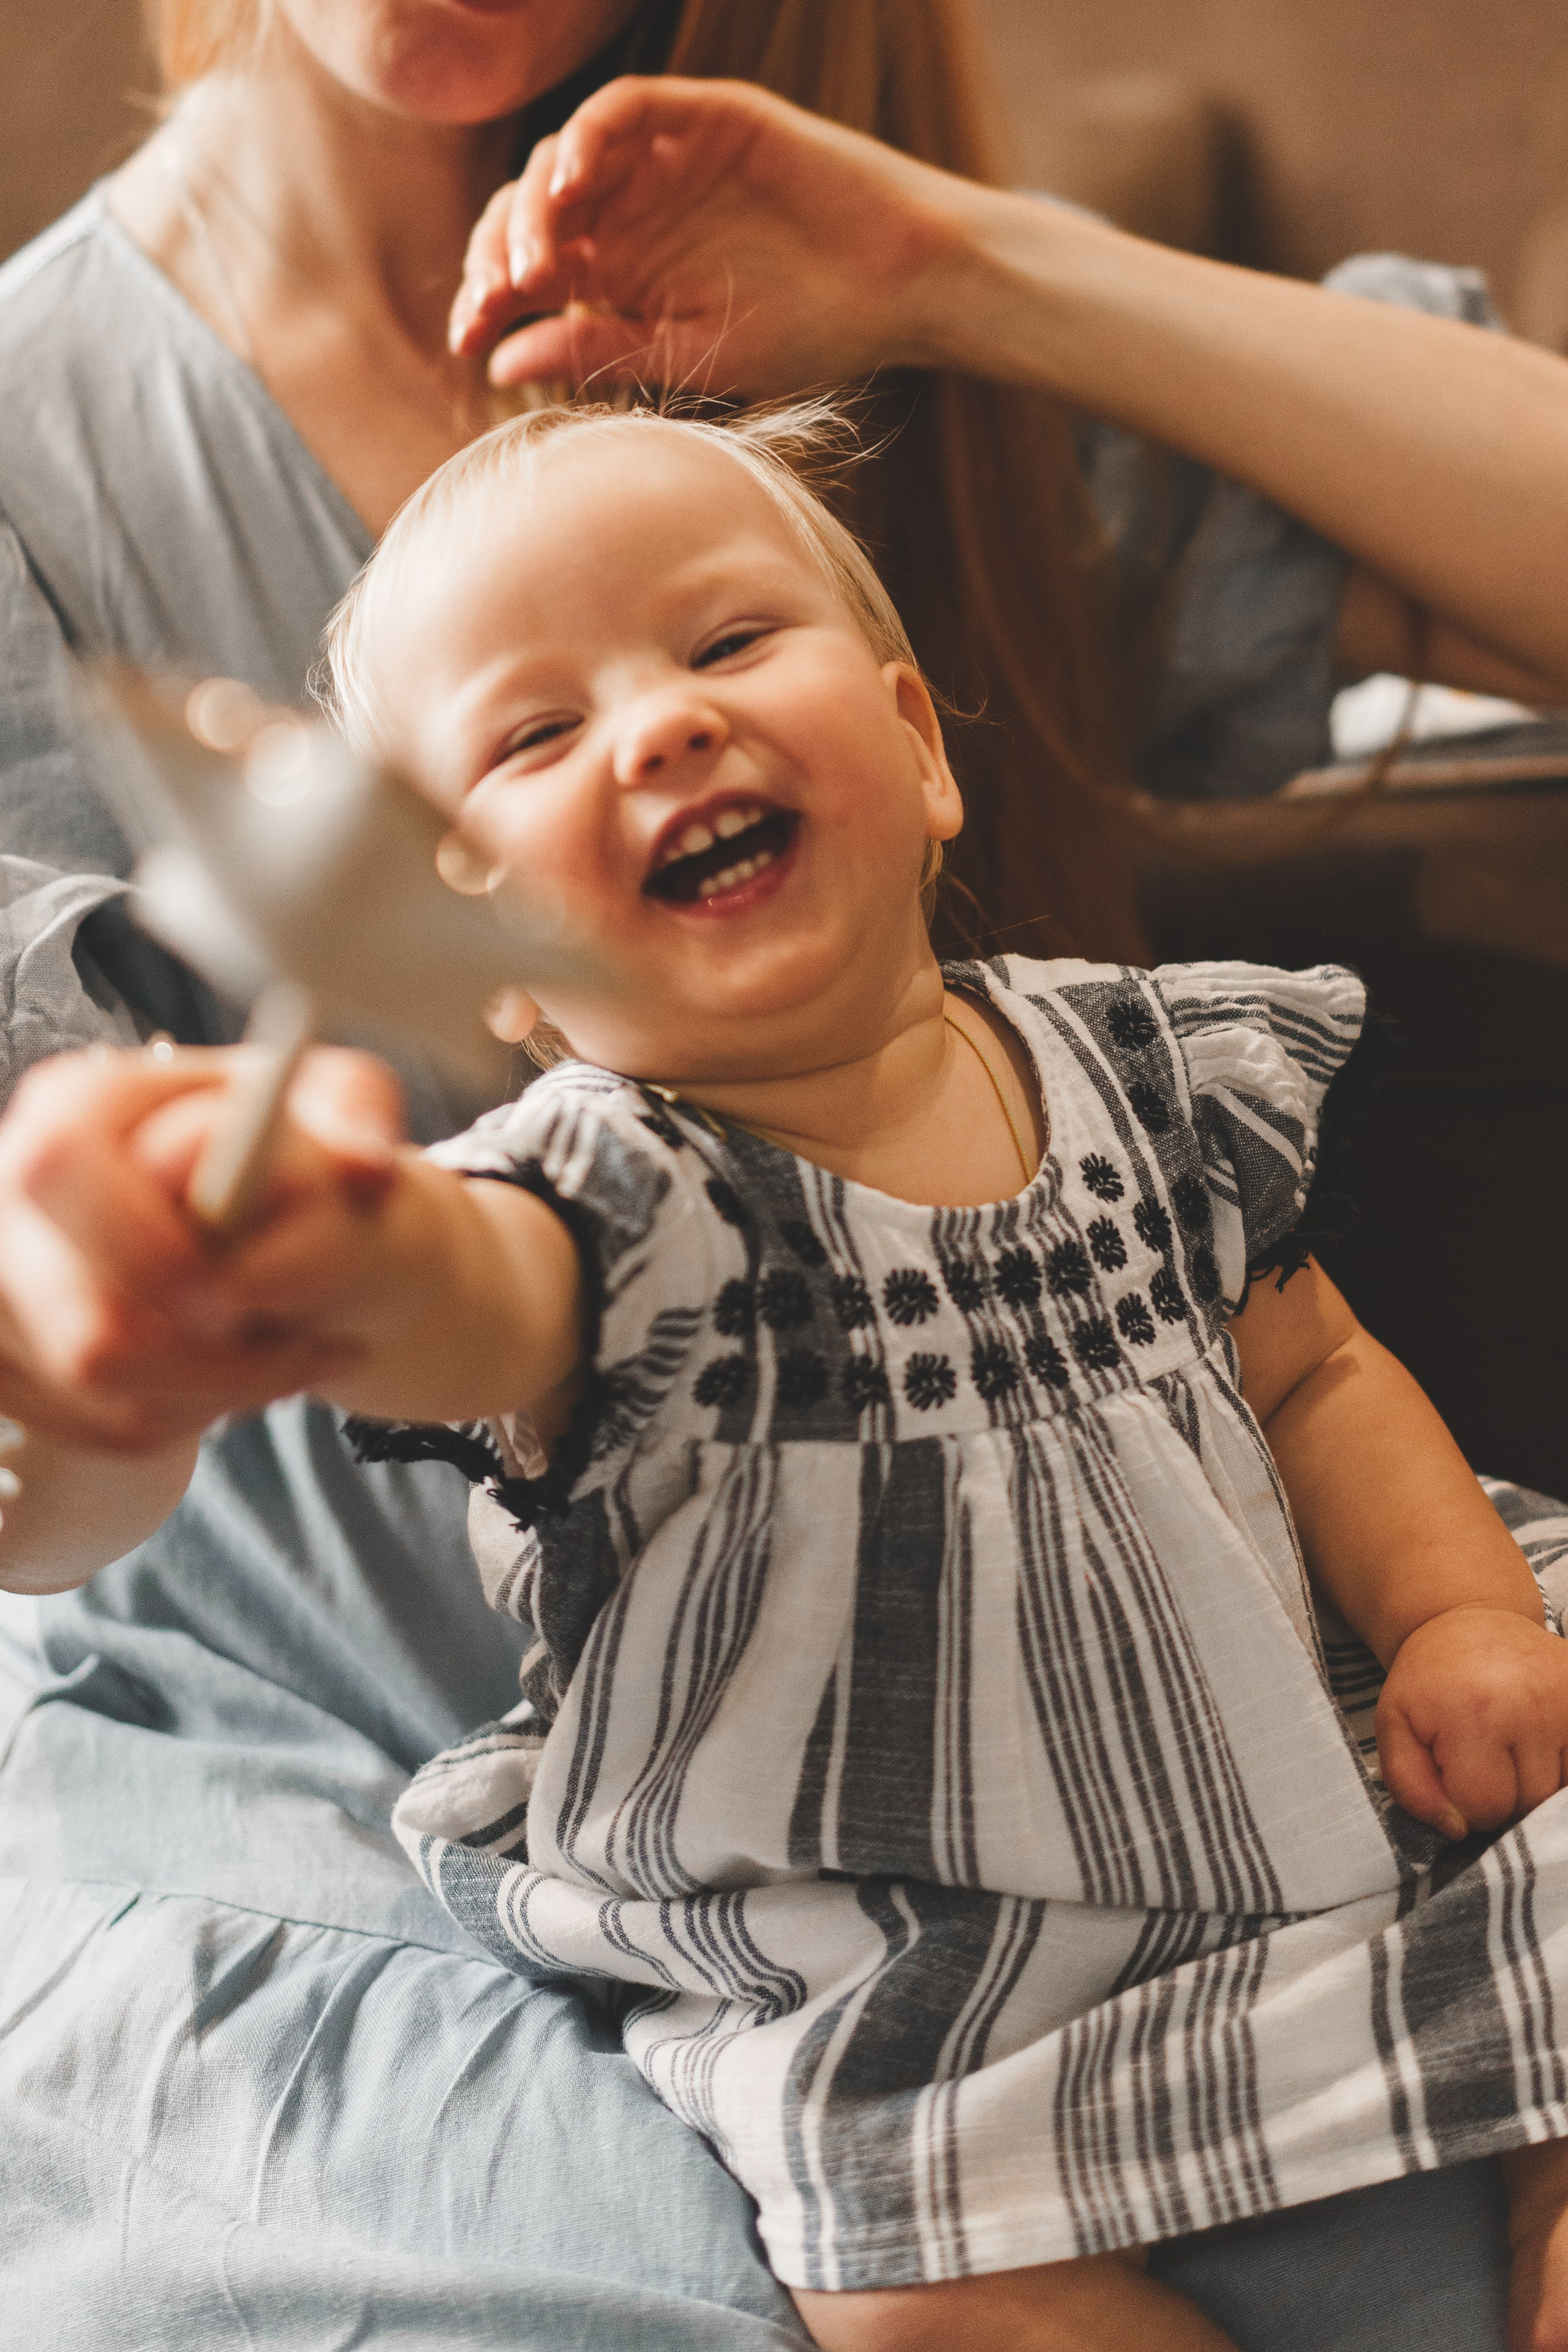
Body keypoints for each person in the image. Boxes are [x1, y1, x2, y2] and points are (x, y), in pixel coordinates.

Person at [1, 0, 1564, 2339]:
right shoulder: (618, 1196)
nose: (665, 727)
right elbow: (480, 1288)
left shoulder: (1126, 1060)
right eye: (537, 734)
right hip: (556, 1796)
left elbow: (1313, 1364)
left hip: (1205, 1707)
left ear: (925, 740)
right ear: (493, 960)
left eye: (731, 641)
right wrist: (245, 1284)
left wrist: (967, 268)